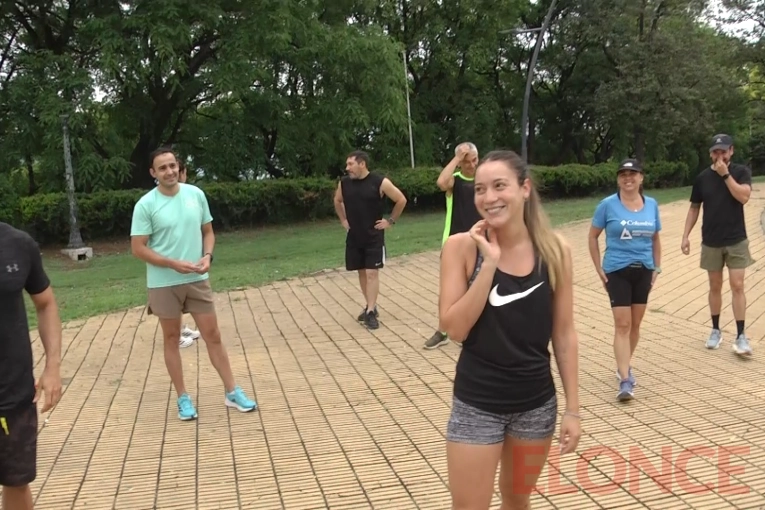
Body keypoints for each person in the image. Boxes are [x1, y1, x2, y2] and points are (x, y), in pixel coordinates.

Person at [439, 150, 580, 510]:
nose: (489, 198)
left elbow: (564, 335)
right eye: (480, 189)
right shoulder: (461, 248)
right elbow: (454, 328)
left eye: (500, 186)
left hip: (535, 404)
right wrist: (490, 266)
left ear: (524, 189)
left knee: (517, 500)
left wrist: (573, 409)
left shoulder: (555, 251)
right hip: (477, 403)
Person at [130, 147, 257, 421]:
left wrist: (208, 256)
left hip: (197, 278)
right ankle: (183, 398)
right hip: (164, 282)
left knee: (213, 335)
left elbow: (208, 232)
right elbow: (138, 248)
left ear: (179, 167)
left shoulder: (195, 195)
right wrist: (171, 263)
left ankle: (232, 391)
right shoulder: (146, 205)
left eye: (172, 165)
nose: (169, 171)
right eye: (162, 168)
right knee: (172, 339)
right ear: (153, 173)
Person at [588, 159, 662, 401]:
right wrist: (599, 268)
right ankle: (624, 379)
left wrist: (656, 268)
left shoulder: (651, 204)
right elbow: (592, 236)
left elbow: (656, 239)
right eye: (623, 175)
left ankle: (624, 364)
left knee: (635, 324)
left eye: (633, 174)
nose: (628, 178)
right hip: (616, 270)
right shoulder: (607, 205)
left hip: (644, 270)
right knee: (622, 324)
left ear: (641, 178)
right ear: (618, 179)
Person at [0, 222, 63, 510]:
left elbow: (46, 303)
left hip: (12, 392)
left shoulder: (18, 243)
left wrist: (52, 367)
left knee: (15, 481)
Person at [681, 134, 753, 356]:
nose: (719, 155)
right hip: (711, 240)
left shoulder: (740, 172)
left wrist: (725, 176)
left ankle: (741, 335)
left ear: (731, 151)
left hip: (736, 239)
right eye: (715, 151)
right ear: (710, 153)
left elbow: (744, 197)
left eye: (723, 151)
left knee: (737, 285)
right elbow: (694, 208)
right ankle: (715, 329)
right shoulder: (702, 178)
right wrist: (685, 235)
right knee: (714, 286)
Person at [333, 150, 407, 330]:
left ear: (362, 164)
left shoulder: (379, 182)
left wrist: (390, 221)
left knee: (372, 272)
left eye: (350, 164)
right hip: (354, 236)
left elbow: (401, 199)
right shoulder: (344, 184)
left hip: (374, 236)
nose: (347, 168)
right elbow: (337, 201)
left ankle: (371, 311)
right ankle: (369, 305)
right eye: (347, 164)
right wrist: (343, 220)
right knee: (362, 272)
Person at [424, 142, 482, 350]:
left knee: (477, 288)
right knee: (448, 290)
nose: (472, 165)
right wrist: (457, 158)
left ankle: (471, 331)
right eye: (467, 162)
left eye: (474, 160)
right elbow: (441, 182)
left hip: (480, 242)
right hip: (454, 243)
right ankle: (443, 330)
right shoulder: (455, 182)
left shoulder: (483, 181)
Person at [176, 160, 201, 348]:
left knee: (184, 296)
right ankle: (176, 334)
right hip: (173, 259)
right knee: (174, 295)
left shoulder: (192, 196)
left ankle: (182, 327)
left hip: (190, 256)